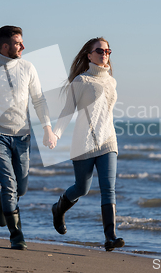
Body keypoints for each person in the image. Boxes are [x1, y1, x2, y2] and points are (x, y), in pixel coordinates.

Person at [0, 25, 56, 250]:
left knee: (20, 188)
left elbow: (39, 100)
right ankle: (16, 235)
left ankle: (0, 200)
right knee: (10, 184)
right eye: (18, 43)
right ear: (5, 46)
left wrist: (47, 128)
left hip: (22, 135)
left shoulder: (28, 67)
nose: (23, 46)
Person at [51, 37, 124, 251]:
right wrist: (55, 134)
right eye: (99, 51)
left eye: (107, 51)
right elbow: (67, 111)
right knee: (82, 188)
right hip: (84, 143)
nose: (104, 54)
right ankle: (59, 209)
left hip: (108, 141)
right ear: (89, 55)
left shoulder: (111, 81)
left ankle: (110, 237)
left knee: (108, 189)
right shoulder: (80, 81)